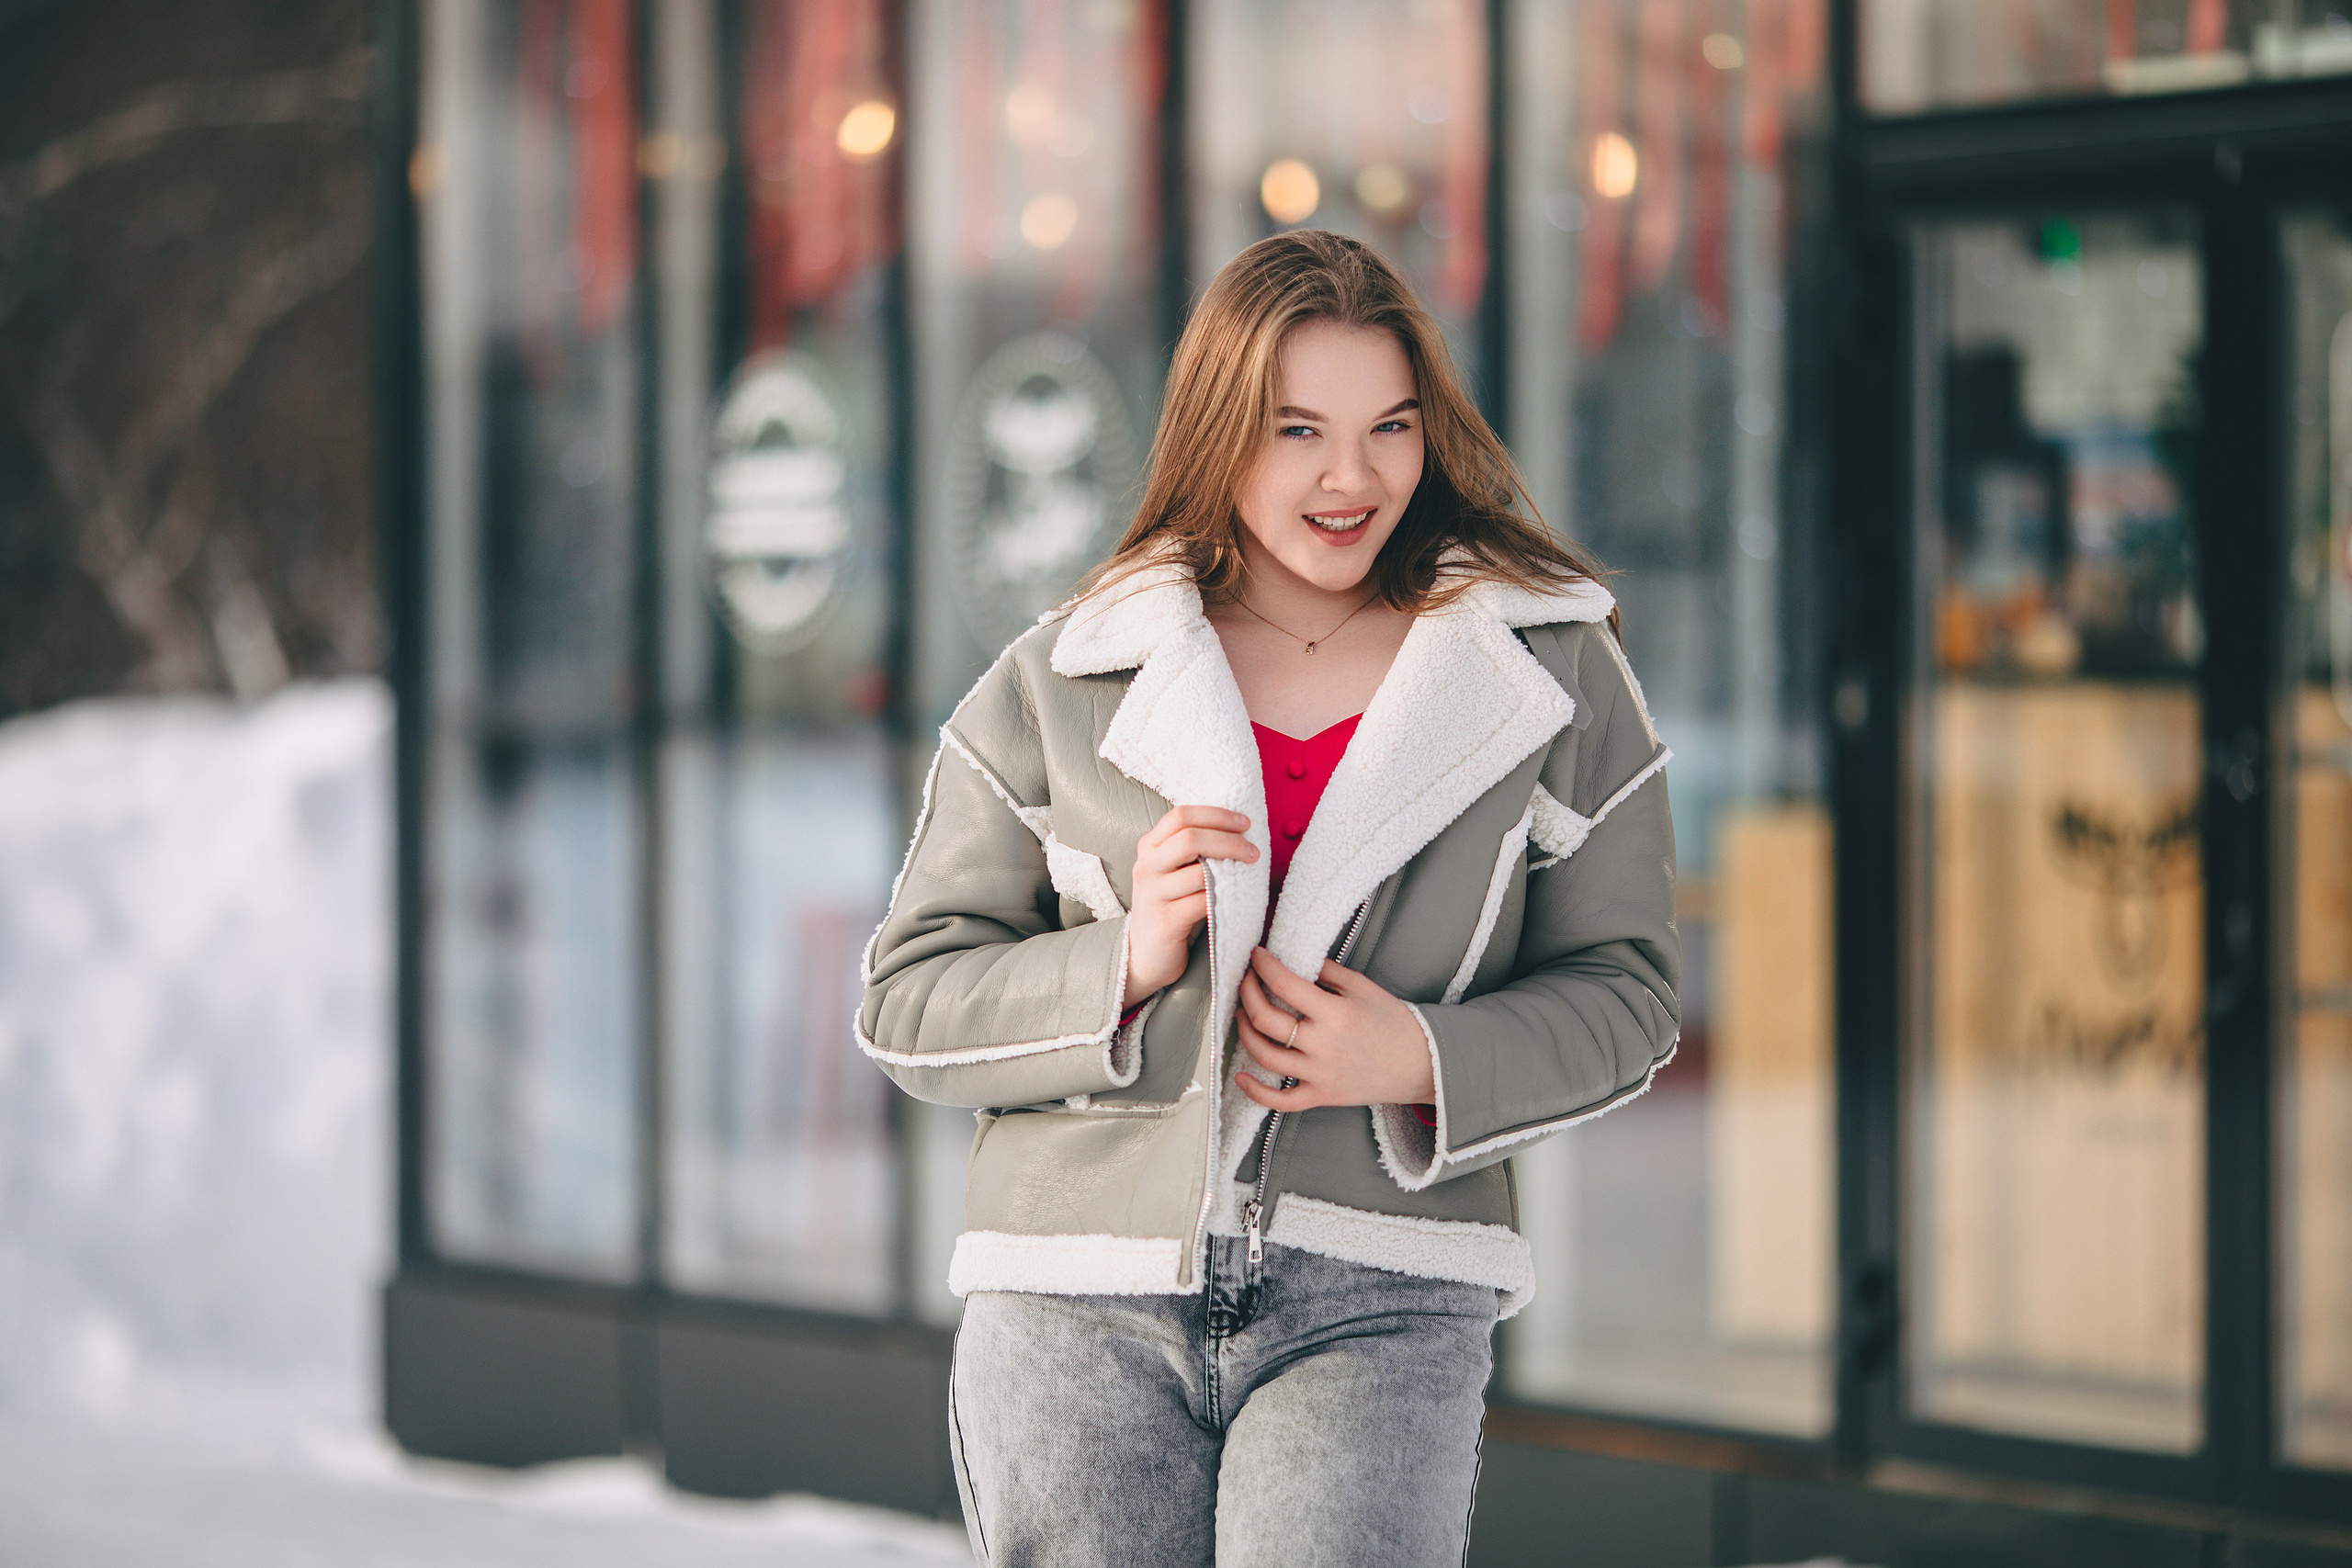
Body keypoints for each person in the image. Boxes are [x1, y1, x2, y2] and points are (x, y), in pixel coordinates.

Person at [859, 230, 1680, 1567]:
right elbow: (908, 1002)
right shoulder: (1064, 677)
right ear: (1219, 430)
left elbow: (1630, 996)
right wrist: (1122, 962)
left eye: (1389, 428)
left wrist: (1416, 1056)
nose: (1350, 477)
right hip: (1079, 1296)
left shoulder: (1548, 670)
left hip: (1383, 1289)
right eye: (1297, 429)